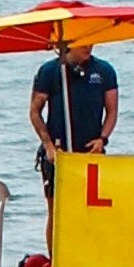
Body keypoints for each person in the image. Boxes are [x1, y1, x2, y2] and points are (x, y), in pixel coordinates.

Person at [29, 29, 119, 200]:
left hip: (90, 150)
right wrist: (48, 145)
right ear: (70, 44)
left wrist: (103, 139)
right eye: (83, 43)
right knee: (57, 210)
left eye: (91, 42)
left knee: (89, 207)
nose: (88, 47)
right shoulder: (50, 71)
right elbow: (34, 112)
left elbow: (112, 111)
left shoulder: (104, 71)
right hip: (58, 152)